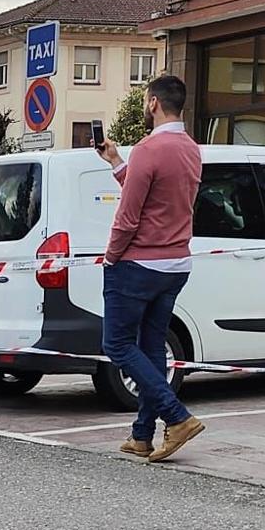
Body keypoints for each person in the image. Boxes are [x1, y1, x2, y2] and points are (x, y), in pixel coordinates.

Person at [95, 74, 206, 464]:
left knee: (117, 344)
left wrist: (110, 257)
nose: (145, 106)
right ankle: (141, 435)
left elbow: (128, 215)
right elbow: (158, 193)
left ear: (154, 102)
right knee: (150, 343)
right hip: (176, 262)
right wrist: (116, 162)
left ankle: (177, 418)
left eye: (145, 100)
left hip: (139, 263)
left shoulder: (148, 148)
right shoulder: (191, 149)